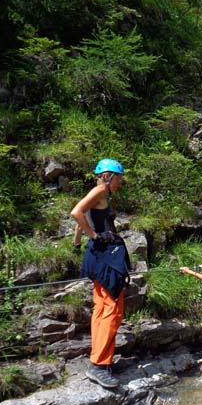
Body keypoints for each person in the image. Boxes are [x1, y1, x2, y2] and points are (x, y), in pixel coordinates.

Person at [71, 158, 131, 389]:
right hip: (104, 257)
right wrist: (94, 236)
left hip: (100, 256)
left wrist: (79, 241)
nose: (119, 183)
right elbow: (76, 212)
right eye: (118, 179)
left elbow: (82, 217)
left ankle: (102, 361)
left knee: (102, 308)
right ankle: (98, 365)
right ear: (108, 176)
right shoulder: (99, 190)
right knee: (111, 310)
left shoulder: (98, 193)